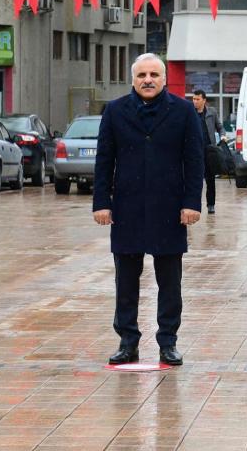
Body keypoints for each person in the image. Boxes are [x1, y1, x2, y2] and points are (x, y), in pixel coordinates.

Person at [93, 53, 204, 367]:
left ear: (164, 79)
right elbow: (104, 160)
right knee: (125, 282)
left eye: (154, 74)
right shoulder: (115, 111)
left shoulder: (183, 111)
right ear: (133, 79)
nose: (148, 80)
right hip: (127, 208)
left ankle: (168, 342)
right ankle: (128, 342)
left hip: (170, 209)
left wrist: (192, 203)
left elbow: (194, 161)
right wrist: (101, 202)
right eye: (142, 74)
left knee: (170, 283)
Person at [192, 89, 222, 214]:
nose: (195, 101)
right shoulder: (190, 112)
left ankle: (211, 205)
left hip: (209, 151)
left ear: (204, 100)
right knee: (194, 179)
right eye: (193, 99)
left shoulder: (212, 112)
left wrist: (223, 135)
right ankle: (193, 204)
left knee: (210, 180)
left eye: (197, 99)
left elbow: (220, 127)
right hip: (194, 151)